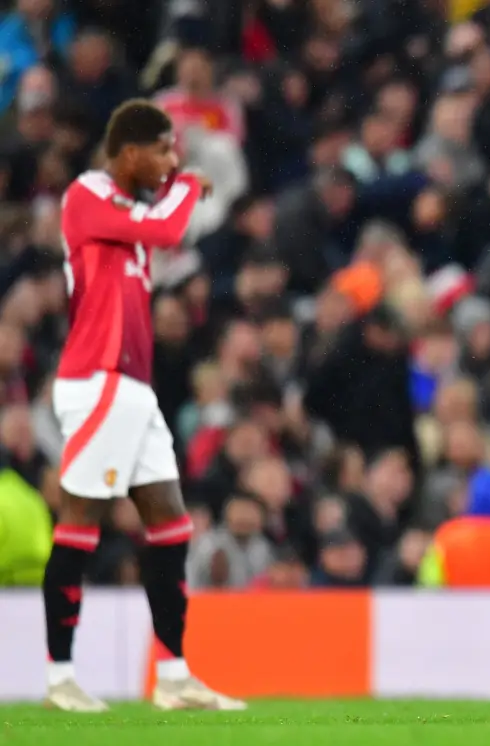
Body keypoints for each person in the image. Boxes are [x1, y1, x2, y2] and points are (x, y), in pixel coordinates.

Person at [45, 99, 245, 712]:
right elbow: (165, 228)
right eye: (162, 149)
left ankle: (176, 675)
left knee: (171, 521)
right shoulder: (87, 192)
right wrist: (185, 185)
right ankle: (59, 679)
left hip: (134, 385)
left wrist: (175, 188)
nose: (170, 160)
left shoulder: (127, 206)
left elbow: (156, 226)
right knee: (81, 518)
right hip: (98, 378)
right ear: (129, 150)